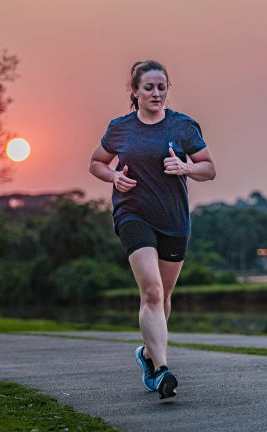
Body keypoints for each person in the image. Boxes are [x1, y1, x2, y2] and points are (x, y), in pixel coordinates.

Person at [89, 60, 216, 399]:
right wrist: (114, 176)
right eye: (149, 87)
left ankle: (146, 355)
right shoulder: (120, 129)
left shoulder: (184, 126)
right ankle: (161, 371)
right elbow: (96, 163)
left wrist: (185, 167)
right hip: (132, 215)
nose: (156, 93)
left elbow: (209, 169)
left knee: (165, 297)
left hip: (174, 220)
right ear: (135, 91)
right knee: (153, 292)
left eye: (162, 87)